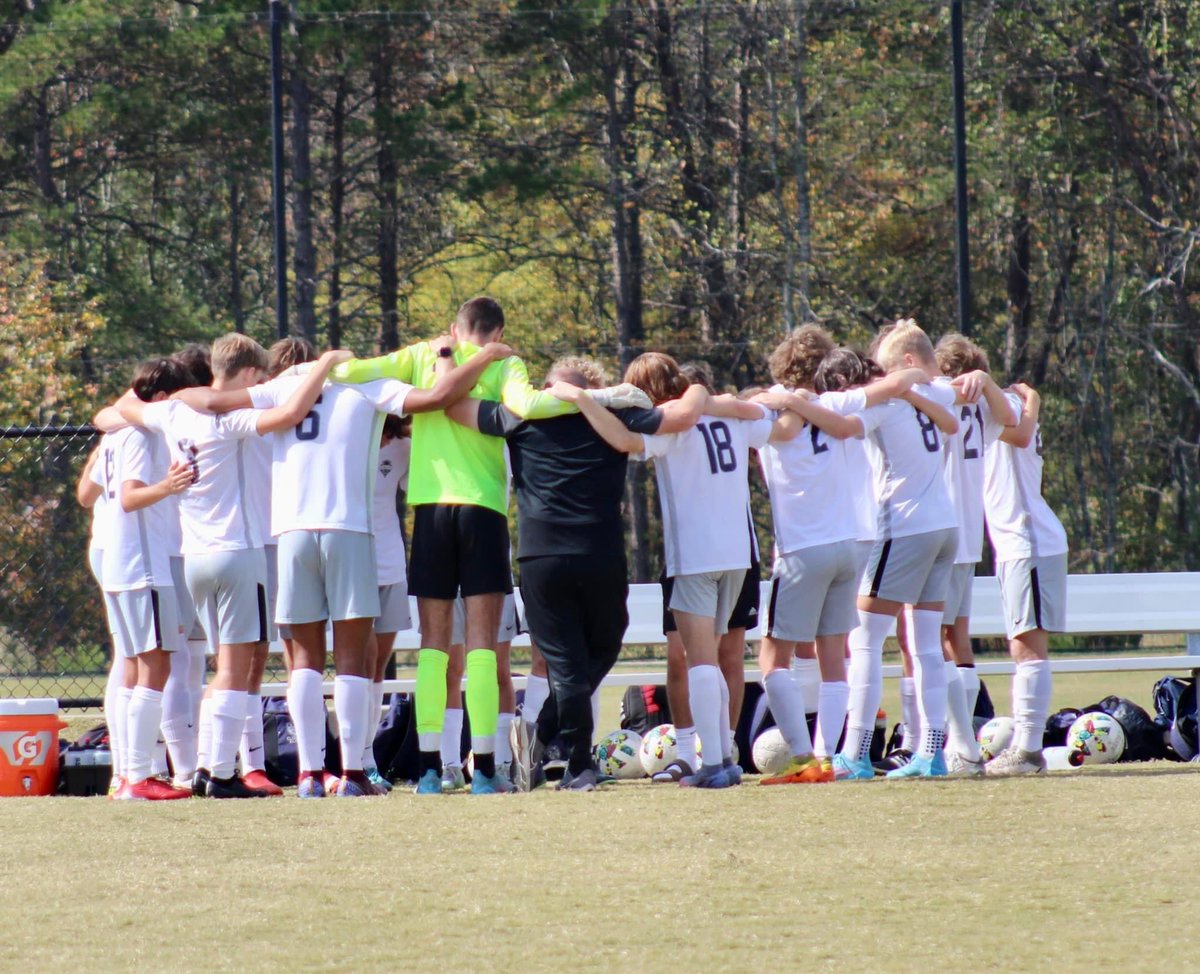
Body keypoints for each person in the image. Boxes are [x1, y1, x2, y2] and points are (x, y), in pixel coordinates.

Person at [330, 298, 647, 795]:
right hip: (482, 508)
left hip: (431, 507)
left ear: (453, 327)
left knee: (433, 648)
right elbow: (531, 406)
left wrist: (327, 363)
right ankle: (483, 770)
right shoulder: (505, 362)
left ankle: (430, 772)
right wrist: (602, 396)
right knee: (482, 647)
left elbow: (351, 372)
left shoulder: (421, 354)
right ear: (498, 332)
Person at [177, 333, 511, 797]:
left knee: (305, 660)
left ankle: (309, 775)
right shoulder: (368, 384)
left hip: (292, 531)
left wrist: (174, 396)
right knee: (354, 657)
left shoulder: (288, 383)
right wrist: (473, 356)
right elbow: (439, 396)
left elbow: (212, 401)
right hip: (348, 529)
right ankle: (353, 773)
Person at [112, 337, 343, 798]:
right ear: (248, 373)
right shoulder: (231, 421)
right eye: (259, 376)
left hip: (194, 558)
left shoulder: (172, 413)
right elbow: (289, 414)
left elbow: (125, 406)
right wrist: (325, 366)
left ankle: (205, 766)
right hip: (238, 553)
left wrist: (182, 395)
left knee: (222, 666)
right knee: (237, 667)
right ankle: (218, 773)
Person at [444, 355, 666, 791]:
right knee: (590, 654)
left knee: (570, 662)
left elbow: (453, 406)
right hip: (595, 553)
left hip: (545, 557)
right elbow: (665, 415)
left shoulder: (520, 416)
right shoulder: (611, 414)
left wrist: (453, 362)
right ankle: (576, 761)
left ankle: (542, 735)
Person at [751, 327, 929, 783]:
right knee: (834, 657)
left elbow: (751, 418)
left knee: (772, 658)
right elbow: (886, 389)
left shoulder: (776, 405)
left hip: (802, 545)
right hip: (851, 543)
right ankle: (827, 756)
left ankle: (801, 758)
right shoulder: (841, 404)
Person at [606, 352, 773, 789]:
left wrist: (588, 404)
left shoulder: (670, 424)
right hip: (738, 554)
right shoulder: (729, 417)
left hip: (695, 557)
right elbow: (769, 419)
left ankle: (714, 763)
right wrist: (721, 401)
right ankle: (725, 757)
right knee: (713, 661)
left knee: (700, 663)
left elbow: (625, 441)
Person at [827, 320, 961, 781]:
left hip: (905, 528)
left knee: (864, 639)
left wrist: (798, 403)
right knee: (926, 646)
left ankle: (855, 753)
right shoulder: (934, 391)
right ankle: (932, 752)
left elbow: (843, 423)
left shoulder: (885, 405)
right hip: (944, 526)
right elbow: (951, 416)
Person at [92, 358, 195, 800]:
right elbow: (130, 498)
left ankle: (129, 776)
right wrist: (168, 487)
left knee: (136, 667)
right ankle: (137, 777)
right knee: (156, 665)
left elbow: (89, 492)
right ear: (162, 398)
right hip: (143, 563)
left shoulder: (118, 433)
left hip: (122, 561)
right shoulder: (141, 434)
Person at [934, 334, 1018, 774]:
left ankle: (956, 742)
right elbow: (1010, 417)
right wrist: (986, 383)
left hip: (936, 531)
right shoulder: (983, 406)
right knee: (955, 636)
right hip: (967, 532)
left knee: (930, 638)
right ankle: (959, 737)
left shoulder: (939, 398)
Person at [982, 381, 1067, 776]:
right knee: (1020, 646)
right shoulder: (995, 408)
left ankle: (1029, 752)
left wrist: (1031, 400)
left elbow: (1020, 433)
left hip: (1029, 541)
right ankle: (1024, 747)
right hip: (1013, 545)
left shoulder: (1004, 406)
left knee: (1028, 647)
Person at [362, 413, 413, 792]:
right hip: (351, 565)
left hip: (391, 565)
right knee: (356, 667)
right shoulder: (347, 438)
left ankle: (368, 759)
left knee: (377, 667)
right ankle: (350, 761)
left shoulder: (403, 447)